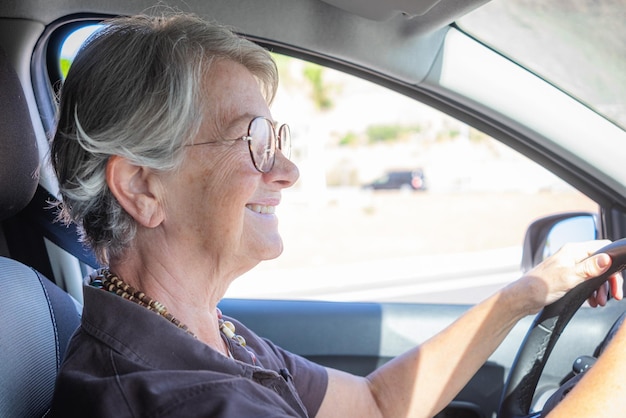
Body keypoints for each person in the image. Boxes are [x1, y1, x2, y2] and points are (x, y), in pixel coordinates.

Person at [49, 12, 623, 418]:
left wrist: (529, 291)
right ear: (142, 186)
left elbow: (377, 406)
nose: (287, 171)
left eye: (276, 137)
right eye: (252, 141)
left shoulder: (198, 335)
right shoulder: (190, 401)